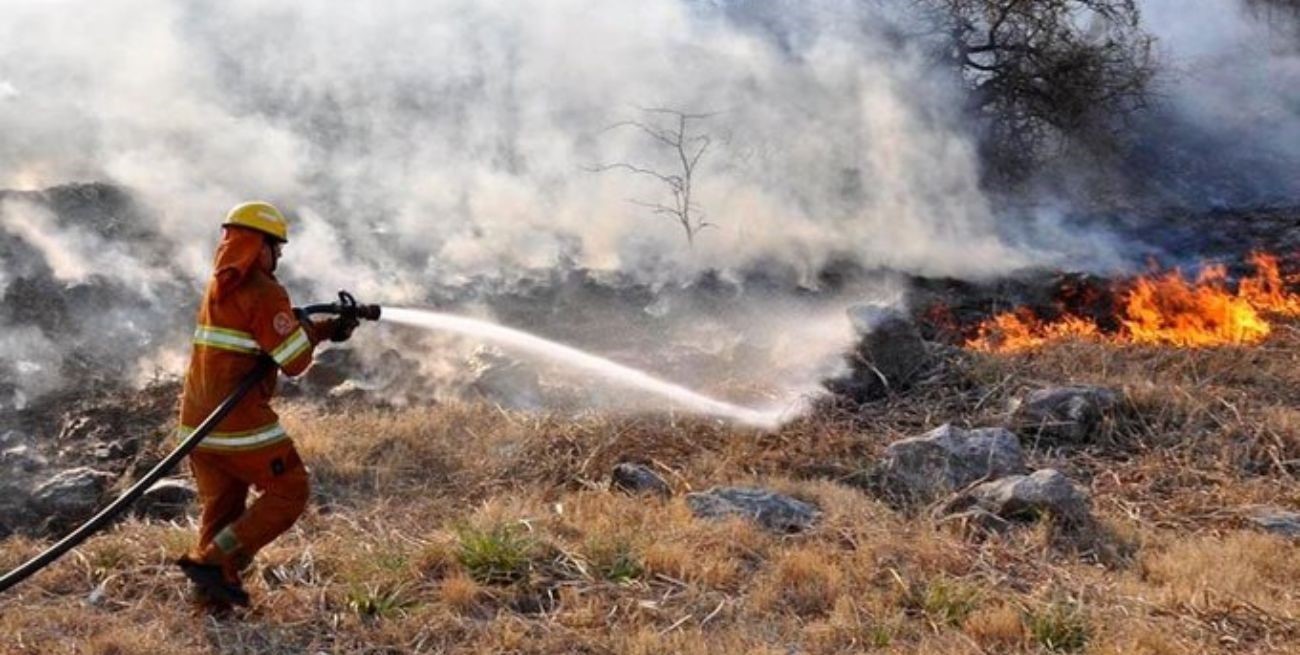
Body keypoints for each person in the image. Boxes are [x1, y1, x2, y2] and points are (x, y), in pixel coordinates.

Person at [175, 201, 357, 610]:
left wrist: (327, 327)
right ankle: (213, 562)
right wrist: (314, 330)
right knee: (290, 490)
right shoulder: (264, 290)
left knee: (224, 509)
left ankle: (212, 599)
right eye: (277, 248)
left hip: (196, 426)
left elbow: (267, 337)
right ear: (259, 246)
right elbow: (292, 361)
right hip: (238, 425)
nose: (278, 257)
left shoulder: (219, 285)